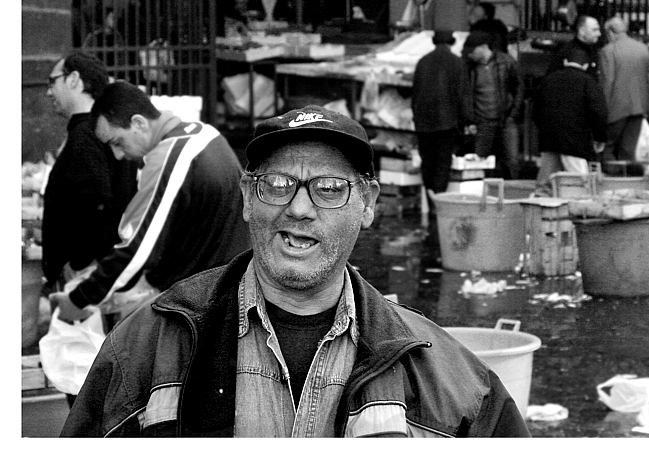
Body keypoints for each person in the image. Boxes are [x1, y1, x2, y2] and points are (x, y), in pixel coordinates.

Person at [60, 105, 531, 438]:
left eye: (329, 188)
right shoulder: (149, 347)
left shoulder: (448, 380)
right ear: (248, 198)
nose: (299, 209)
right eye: (278, 184)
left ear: (368, 204)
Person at [49, 81, 250, 324]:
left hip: (202, 306)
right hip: (226, 288)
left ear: (139, 123)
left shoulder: (170, 158)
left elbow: (138, 250)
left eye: (117, 142)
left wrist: (79, 299)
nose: (118, 155)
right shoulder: (205, 134)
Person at [41, 53, 139, 298]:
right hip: (105, 269)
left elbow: (98, 202)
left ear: (74, 79)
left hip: (86, 276)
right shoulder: (104, 130)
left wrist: (79, 262)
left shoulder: (86, 136)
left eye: (52, 81)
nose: (49, 92)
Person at [533, 48, 609, 190]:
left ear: (565, 62)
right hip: (575, 141)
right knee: (580, 181)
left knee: (546, 181)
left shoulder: (548, 80)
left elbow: (536, 110)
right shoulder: (588, 82)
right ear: (585, 66)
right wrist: (600, 137)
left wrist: (544, 128)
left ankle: (541, 198)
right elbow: (598, 113)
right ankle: (579, 201)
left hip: (549, 137)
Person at [411, 30, 469, 195]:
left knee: (427, 161)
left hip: (423, 122)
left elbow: (415, 93)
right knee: (442, 162)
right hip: (447, 121)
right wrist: (468, 119)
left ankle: (429, 195)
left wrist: (416, 117)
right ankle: (438, 196)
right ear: (451, 43)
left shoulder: (423, 62)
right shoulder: (457, 62)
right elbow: (463, 94)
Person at [462, 31, 524, 180]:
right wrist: (471, 120)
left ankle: (511, 189)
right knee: (481, 162)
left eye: (472, 50)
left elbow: (519, 88)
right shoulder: (469, 67)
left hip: (506, 119)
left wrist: (513, 114)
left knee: (511, 162)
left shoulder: (506, 62)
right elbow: (465, 95)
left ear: (483, 47)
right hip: (483, 121)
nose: (469, 54)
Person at [598, 16, 649, 162]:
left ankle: (611, 175)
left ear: (610, 33)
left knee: (608, 148)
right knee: (630, 150)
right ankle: (629, 174)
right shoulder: (643, 49)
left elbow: (608, 80)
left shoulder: (608, 51)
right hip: (639, 108)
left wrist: (602, 110)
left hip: (616, 108)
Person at [548, 15, 602, 79]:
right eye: (594, 30)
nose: (599, 34)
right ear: (582, 31)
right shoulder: (567, 51)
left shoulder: (594, 50)